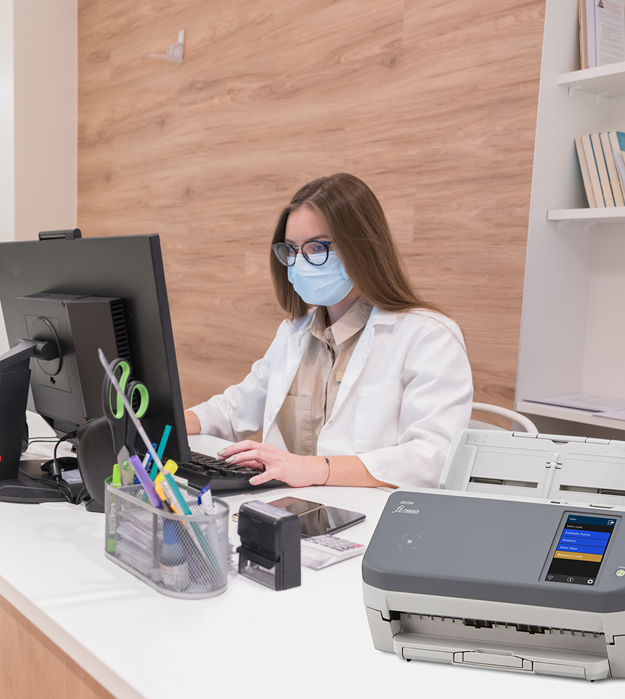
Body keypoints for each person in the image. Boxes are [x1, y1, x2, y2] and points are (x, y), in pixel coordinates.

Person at [184, 173, 473, 489]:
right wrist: (165, 422)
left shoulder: (427, 335)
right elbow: (236, 407)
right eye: (292, 249)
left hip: (370, 524)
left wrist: (314, 469)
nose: (299, 263)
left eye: (317, 247)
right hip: (290, 516)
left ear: (362, 246)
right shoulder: (293, 334)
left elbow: (433, 456)